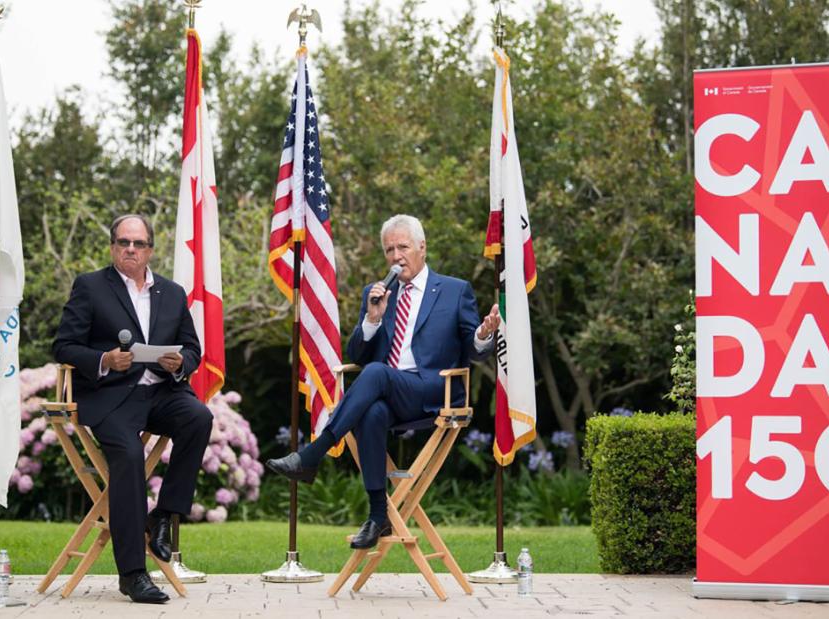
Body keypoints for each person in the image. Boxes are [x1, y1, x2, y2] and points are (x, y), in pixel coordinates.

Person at [267, 214, 499, 548]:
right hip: (389, 393)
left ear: (422, 247)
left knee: (375, 373)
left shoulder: (453, 290)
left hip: (434, 389)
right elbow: (358, 354)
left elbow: (474, 350)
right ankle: (379, 517)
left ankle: (313, 453)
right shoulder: (377, 294)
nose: (395, 256)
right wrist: (372, 319)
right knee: (372, 411)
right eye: (389, 249)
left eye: (402, 247)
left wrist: (483, 334)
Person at [52, 214, 213, 604]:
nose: (130, 249)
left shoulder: (172, 293)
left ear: (150, 250)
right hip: (112, 396)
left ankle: (163, 516)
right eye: (124, 242)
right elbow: (63, 346)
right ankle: (133, 574)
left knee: (199, 417)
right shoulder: (91, 286)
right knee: (126, 455)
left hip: (160, 392)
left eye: (138, 244)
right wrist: (104, 359)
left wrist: (182, 363)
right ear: (112, 247)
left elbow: (192, 348)